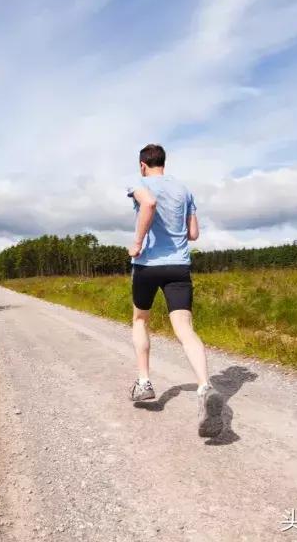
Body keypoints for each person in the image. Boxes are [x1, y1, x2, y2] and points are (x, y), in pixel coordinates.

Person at [126, 144, 222, 437]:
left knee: (141, 319)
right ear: (163, 163)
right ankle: (205, 386)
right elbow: (193, 233)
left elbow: (149, 204)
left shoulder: (138, 184)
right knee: (184, 328)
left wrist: (138, 243)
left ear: (143, 165)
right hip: (179, 266)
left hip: (147, 265)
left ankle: (144, 383)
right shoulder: (184, 189)